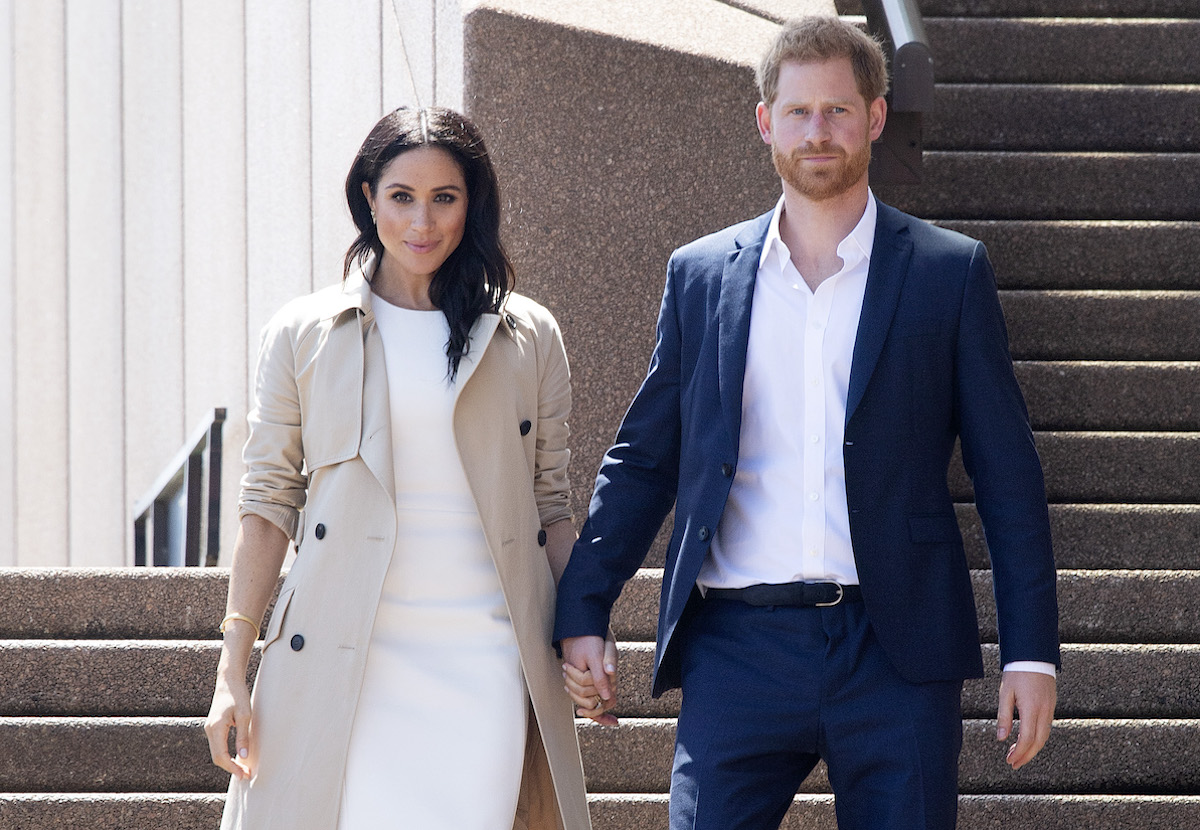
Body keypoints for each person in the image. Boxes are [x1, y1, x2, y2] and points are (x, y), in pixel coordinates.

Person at [554, 16, 1060, 830]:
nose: (816, 131)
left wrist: (1031, 652)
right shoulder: (701, 276)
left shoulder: (947, 272)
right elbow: (644, 459)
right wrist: (585, 605)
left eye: (837, 110)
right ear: (765, 122)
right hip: (737, 648)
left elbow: (1008, 477)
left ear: (876, 117)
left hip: (896, 654)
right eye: (797, 112)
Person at [204, 106, 594, 830]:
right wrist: (232, 669)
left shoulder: (528, 334)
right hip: (341, 653)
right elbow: (267, 505)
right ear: (368, 198)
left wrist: (585, 628)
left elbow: (552, 507)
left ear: (472, 204)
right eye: (401, 197)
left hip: (484, 656)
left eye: (444, 197)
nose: (423, 221)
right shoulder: (302, 333)